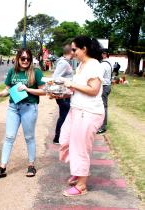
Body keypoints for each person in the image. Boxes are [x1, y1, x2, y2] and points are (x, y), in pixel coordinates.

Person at [56, 36, 105, 197]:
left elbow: (94, 90)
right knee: (64, 140)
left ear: (84, 49)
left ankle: (82, 184)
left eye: (74, 49)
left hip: (89, 113)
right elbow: (77, 89)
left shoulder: (94, 65)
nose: (72, 52)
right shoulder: (81, 65)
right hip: (76, 110)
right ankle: (78, 170)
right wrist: (60, 93)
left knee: (80, 148)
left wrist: (71, 84)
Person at [0, 48, 46, 179]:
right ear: (18, 59)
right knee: (9, 137)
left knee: (29, 137)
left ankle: (31, 165)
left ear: (31, 60)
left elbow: (44, 91)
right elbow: (7, 90)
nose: (25, 61)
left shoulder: (36, 72)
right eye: (22, 58)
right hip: (13, 108)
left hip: (29, 107)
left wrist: (27, 89)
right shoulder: (12, 72)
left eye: (28, 59)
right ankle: (2, 167)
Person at [52, 44, 74, 144]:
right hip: (63, 94)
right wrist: (67, 81)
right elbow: (55, 77)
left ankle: (60, 137)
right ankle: (58, 137)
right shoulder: (63, 63)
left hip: (65, 93)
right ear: (70, 52)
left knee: (64, 115)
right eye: (73, 50)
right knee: (64, 116)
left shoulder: (66, 62)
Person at [97, 50, 112, 134]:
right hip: (107, 86)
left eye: (101, 54)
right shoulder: (109, 63)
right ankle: (101, 125)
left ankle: (102, 127)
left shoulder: (103, 64)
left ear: (104, 55)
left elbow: (99, 77)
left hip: (104, 86)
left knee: (103, 107)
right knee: (103, 106)